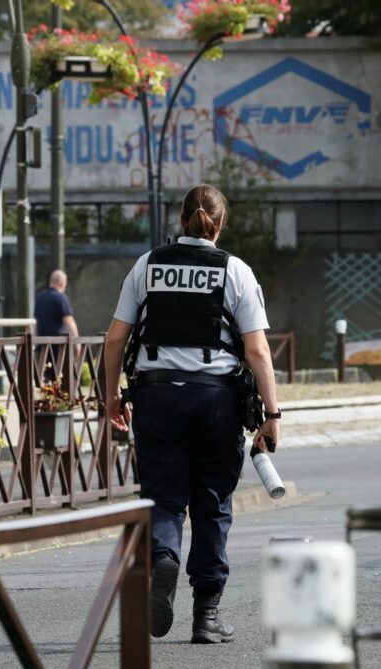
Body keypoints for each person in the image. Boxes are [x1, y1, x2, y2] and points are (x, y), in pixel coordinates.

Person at [103, 184, 280, 645]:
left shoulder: (147, 266)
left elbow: (115, 339)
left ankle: (163, 556)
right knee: (212, 505)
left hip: (156, 397)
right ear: (218, 225)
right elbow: (257, 350)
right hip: (216, 401)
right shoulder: (235, 271)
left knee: (162, 495)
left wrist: (111, 396)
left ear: (181, 221)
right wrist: (273, 412)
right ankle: (207, 614)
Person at [35, 269, 79, 338]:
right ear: (62, 283)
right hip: (58, 343)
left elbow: (37, 320)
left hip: (42, 341)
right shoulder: (60, 297)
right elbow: (69, 320)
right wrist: (77, 341)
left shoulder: (40, 297)